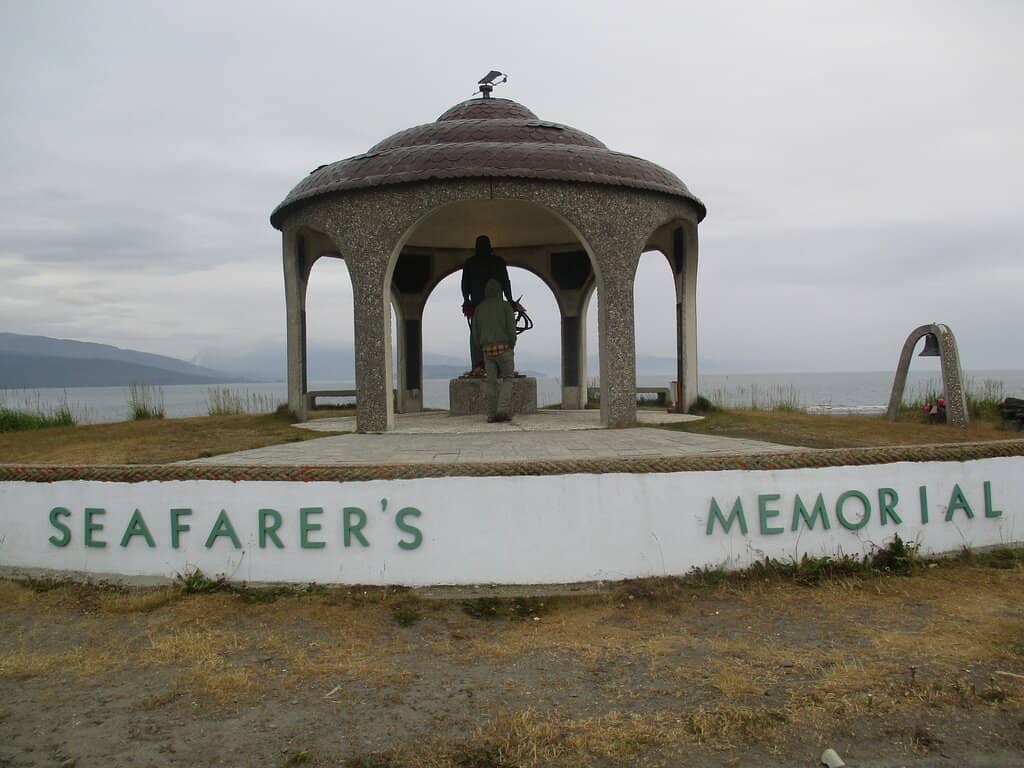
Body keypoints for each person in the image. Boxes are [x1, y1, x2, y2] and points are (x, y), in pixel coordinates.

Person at [461, 235, 514, 374]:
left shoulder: (470, 263)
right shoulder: (498, 262)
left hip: (478, 305)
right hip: (495, 306)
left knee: (476, 335)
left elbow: (464, 286)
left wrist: (467, 301)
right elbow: (506, 283)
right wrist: (510, 301)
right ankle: (499, 365)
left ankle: (479, 365)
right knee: (499, 332)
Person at [471, 278, 517, 422]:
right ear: (500, 291)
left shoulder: (479, 308)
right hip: (504, 348)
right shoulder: (505, 306)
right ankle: (502, 410)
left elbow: (475, 333)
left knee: (491, 382)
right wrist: (511, 344)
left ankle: (491, 414)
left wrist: (481, 347)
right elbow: (511, 329)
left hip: (487, 351)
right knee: (508, 378)